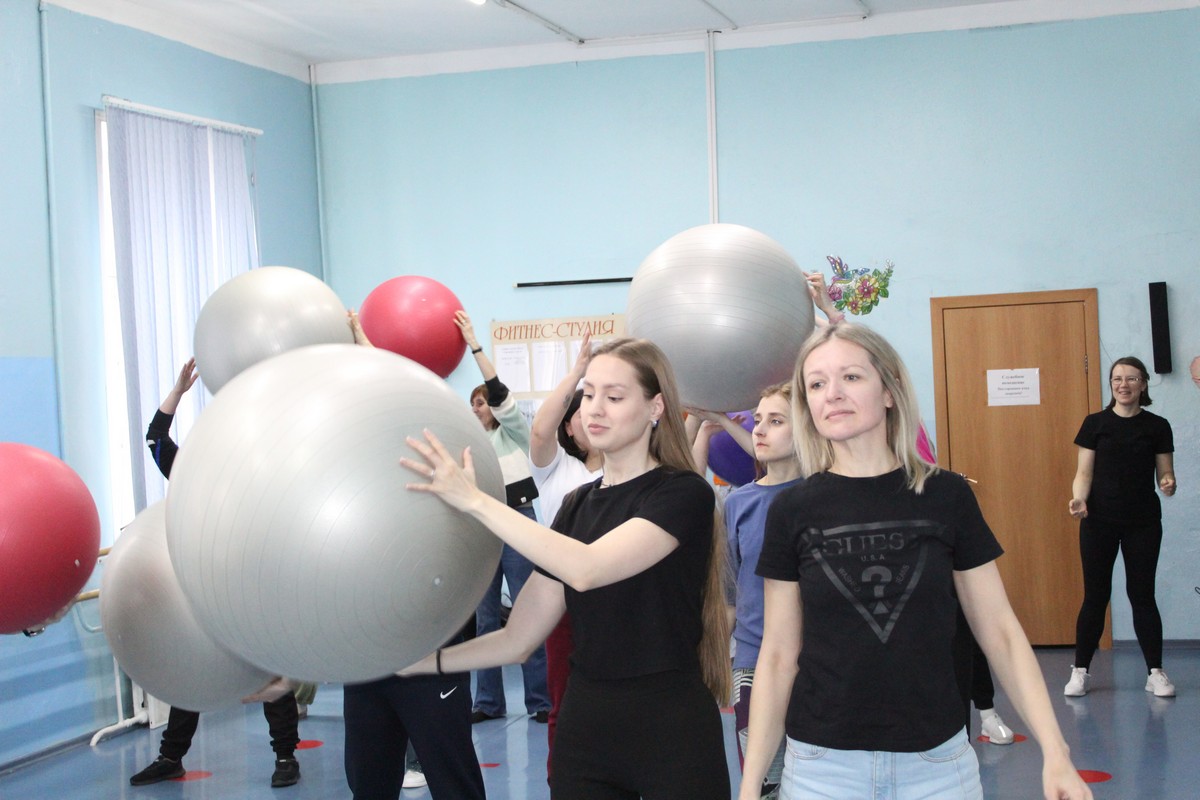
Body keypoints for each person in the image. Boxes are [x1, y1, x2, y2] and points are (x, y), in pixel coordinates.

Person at [740, 323, 1090, 800]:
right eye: (817, 384)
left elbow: (1000, 632)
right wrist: (750, 785)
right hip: (823, 770)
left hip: (938, 766)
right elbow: (779, 655)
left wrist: (1056, 751)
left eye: (851, 377)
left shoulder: (946, 495)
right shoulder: (792, 510)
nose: (832, 394)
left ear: (889, 391)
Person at [399, 337, 732, 800]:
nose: (595, 408)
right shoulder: (577, 505)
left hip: (671, 726)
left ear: (655, 407)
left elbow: (587, 568)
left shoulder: (682, 494)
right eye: (589, 394)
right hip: (587, 728)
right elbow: (519, 639)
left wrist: (475, 500)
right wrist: (424, 663)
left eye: (614, 397)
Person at [130, 358, 302, 789]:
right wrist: (177, 393)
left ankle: (285, 756)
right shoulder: (191, 474)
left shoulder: (260, 477)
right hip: (203, 590)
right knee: (192, 668)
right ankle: (171, 757)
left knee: (269, 668)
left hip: (255, 589)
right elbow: (154, 439)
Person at [343, 311, 485, 800]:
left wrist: (365, 343)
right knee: (369, 782)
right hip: (365, 651)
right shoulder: (347, 468)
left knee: (452, 778)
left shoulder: (432, 450)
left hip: (429, 641)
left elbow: (396, 394)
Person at [455, 310, 551, 724]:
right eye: (472, 404)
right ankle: (488, 703)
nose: (476, 409)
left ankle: (540, 701)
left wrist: (475, 345)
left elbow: (500, 394)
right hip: (483, 529)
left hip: (517, 519)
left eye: (481, 403)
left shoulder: (513, 432)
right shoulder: (470, 444)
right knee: (486, 619)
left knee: (529, 614)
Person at [1065, 355, 1177, 698]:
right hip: (1098, 522)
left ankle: (1155, 672)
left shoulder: (1157, 426)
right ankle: (1080, 671)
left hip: (1143, 523)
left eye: (1131, 378)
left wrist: (1169, 482)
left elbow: (1165, 473)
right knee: (1095, 596)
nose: (1123, 385)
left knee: (1142, 595)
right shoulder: (1095, 423)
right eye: (1117, 379)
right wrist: (1079, 498)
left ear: (1143, 384)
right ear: (1111, 384)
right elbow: (1084, 473)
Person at [526, 333, 604, 774]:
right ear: (569, 428)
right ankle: (566, 779)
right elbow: (541, 429)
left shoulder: (630, 471)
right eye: (581, 411)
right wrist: (578, 373)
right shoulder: (557, 468)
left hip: (616, 597)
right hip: (564, 601)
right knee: (564, 697)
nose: (593, 416)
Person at [725, 382, 802, 799]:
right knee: (764, 781)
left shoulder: (818, 496)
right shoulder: (738, 503)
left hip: (814, 660)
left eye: (775, 421)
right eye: (757, 420)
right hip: (753, 661)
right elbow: (731, 591)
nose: (759, 430)